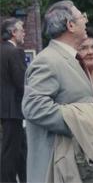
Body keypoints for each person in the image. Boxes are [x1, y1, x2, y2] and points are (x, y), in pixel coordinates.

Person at [21, 0, 93, 182]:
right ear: (70, 25)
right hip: (54, 168)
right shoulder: (47, 60)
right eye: (82, 16)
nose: (86, 20)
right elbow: (34, 108)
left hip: (71, 164)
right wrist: (82, 121)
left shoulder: (69, 58)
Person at [0, 17, 27, 183]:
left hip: (5, 107)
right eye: (21, 29)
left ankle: (26, 178)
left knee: (20, 148)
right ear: (13, 33)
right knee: (11, 151)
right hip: (13, 108)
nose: (24, 32)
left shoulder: (2, 50)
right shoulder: (15, 51)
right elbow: (21, 82)